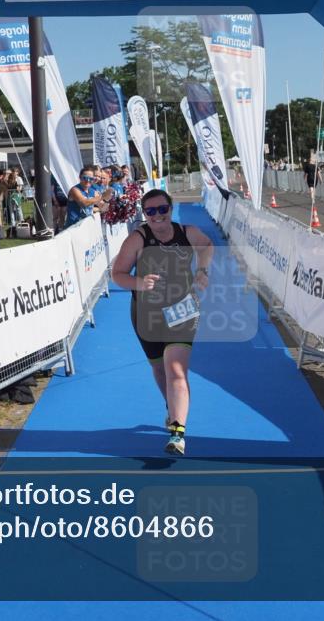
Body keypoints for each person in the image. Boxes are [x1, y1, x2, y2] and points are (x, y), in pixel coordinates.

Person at [111, 189, 214, 456]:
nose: (157, 216)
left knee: (176, 370)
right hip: (146, 313)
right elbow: (117, 274)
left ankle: (178, 433)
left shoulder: (187, 232)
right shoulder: (138, 239)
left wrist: (203, 270)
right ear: (144, 214)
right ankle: (171, 407)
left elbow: (207, 245)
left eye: (162, 209)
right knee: (159, 369)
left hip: (183, 309)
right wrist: (138, 283)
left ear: (170, 209)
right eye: (150, 211)